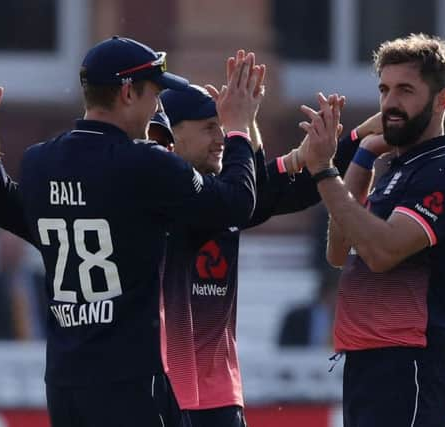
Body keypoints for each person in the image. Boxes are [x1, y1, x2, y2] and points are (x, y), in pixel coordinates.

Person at [0, 36, 264, 427]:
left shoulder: (42, 159)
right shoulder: (146, 163)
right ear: (128, 93)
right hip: (130, 383)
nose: (158, 107)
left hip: (65, 383)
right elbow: (234, 203)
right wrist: (238, 130)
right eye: (156, 94)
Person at [150, 50, 363, 427]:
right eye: (208, 127)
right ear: (170, 136)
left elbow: (277, 193)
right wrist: (241, 129)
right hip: (167, 398)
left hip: (220, 399)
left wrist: (351, 142)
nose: (220, 139)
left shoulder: (222, 195)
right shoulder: (162, 195)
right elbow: (249, 194)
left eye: (221, 127)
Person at [300, 34, 445, 427]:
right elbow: (338, 250)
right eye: (384, 89)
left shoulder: (444, 170)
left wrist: (323, 170)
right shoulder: (395, 169)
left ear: (441, 100)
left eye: (405, 90)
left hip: (409, 363)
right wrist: (364, 155)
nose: (390, 103)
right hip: (368, 361)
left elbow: (381, 253)